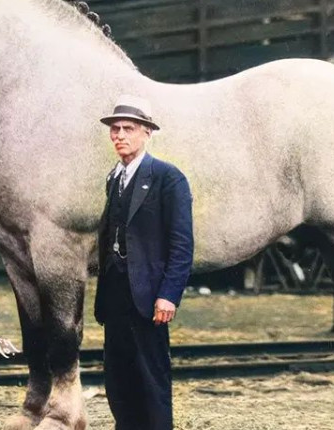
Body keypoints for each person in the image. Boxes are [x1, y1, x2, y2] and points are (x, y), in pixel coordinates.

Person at [95, 95, 194, 430]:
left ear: (147, 132)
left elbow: (181, 245)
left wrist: (169, 294)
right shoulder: (114, 178)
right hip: (114, 295)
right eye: (114, 129)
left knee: (151, 379)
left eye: (128, 129)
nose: (119, 135)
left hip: (150, 297)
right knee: (119, 381)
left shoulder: (168, 177)